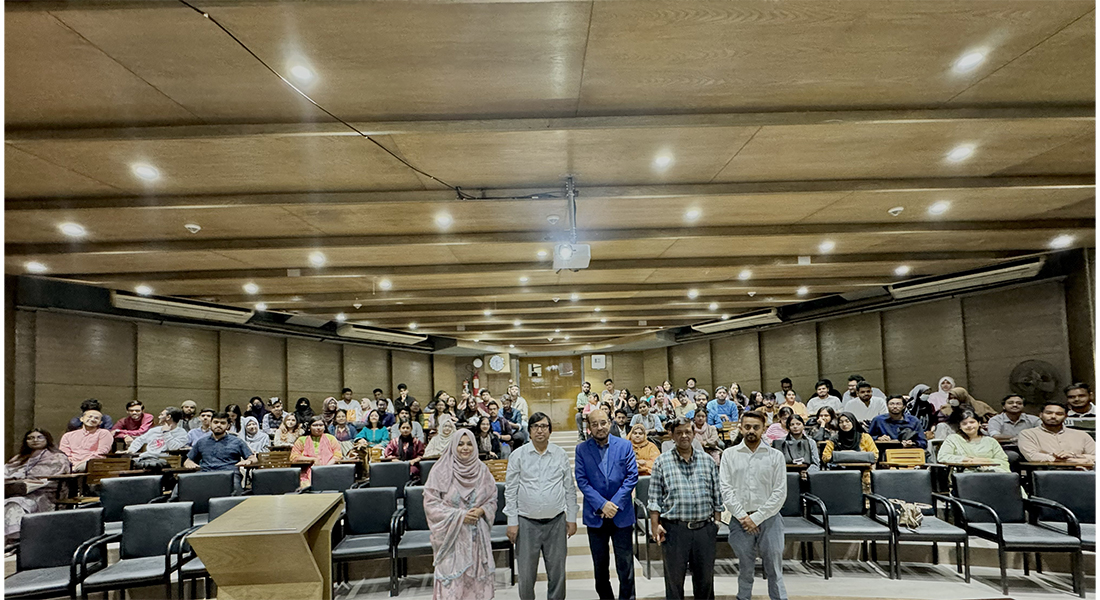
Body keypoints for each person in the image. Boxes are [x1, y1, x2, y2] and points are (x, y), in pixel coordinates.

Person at [504, 412, 578, 600]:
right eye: (535, 426)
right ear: (529, 430)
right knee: (526, 574)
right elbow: (510, 491)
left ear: (550, 430)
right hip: (526, 522)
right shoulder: (518, 455)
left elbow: (569, 488)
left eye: (544, 426)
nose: (540, 430)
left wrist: (571, 518)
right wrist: (512, 521)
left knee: (557, 572)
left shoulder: (560, 454)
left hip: (556, 521)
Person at [648, 416, 722, 600]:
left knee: (705, 582)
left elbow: (717, 494)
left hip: (704, 529)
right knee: (674, 582)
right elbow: (655, 497)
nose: (684, 436)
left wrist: (717, 523)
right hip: (675, 530)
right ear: (672, 435)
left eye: (687, 432)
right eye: (679, 432)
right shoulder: (662, 462)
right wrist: (655, 524)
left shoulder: (707, 461)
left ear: (694, 433)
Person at [423, 428, 497, 600]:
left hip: (476, 537)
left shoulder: (482, 470)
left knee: (476, 585)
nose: (465, 448)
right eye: (461, 444)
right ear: (453, 446)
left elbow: (492, 498)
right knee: (452, 586)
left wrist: (481, 510)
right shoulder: (440, 470)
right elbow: (431, 504)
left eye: (469, 444)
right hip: (451, 538)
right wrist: (460, 516)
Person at [575, 409, 637, 600]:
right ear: (589, 427)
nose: (599, 427)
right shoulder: (582, 449)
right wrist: (602, 504)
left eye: (603, 423)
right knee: (600, 568)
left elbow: (631, 476)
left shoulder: (625, 445)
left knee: (625, 566)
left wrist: (614, 504)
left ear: (610, 423)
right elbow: (582, 481)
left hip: (621, 514)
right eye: (594, 424)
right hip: (596, 515)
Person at [5, 429, 70, 547]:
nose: (35, 440)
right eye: (30, 438)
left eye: (39, 437)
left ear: (47, 439)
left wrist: (30, 481)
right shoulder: (18, 458)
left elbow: (54, 478)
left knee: (15, 504)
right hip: (15, 491)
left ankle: (16, 540)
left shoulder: (58, 457)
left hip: (44, 495)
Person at [184, 412, 256, 491]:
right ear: (210, 424)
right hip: (205, 473)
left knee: (235, 487)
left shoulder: (237, 441)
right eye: (215, 422)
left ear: (228, 426)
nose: (218, 425)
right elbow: (188, 461)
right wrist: (189, 463)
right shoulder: (201, 442)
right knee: (182, 484)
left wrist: (249, 461)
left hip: (229, 474)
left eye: (222, 423)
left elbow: (253, 458)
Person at [1018, 401, 1096, 463]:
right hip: (1044, 472)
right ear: (1040, 415)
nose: (1053, 416)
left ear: (1065, 417)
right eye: (1048, 413)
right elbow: (1032, 456)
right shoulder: (1028, 434)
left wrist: (1075, 456)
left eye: (1059, 414)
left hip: (1080, 472)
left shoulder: (1082, 435)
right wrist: (1058, 458)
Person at [936, 409, 1010, 472]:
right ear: (960, 427)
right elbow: (943, 457)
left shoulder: (990, 441)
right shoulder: (953, 439)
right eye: (964, 424)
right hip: (964, 475)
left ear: (979, 423)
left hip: (991, 474)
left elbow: (1003, 461)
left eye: (972, 422)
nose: (969, 425)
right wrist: (968, 460)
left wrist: (984, 461)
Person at [125, 407, 189, 467]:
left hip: (166, 460)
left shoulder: (181, 433)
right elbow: (140, 440)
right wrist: (131, 450)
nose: (159, 417)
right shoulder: (155, 430)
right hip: (147, 458)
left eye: (161, 415)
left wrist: (166, 433)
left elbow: (173, 447)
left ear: (168, 417)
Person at [290, 416, 344, 486]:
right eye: (315, 425)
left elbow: (338, 455)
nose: (318, 428)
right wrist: (313, 459)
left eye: (321, 425)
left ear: (324, 427)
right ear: (309, 427)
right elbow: (294, 457)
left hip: (329, 470)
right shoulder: (301, 440)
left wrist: (325, 468)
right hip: (306, 473)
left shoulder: (331, 438)